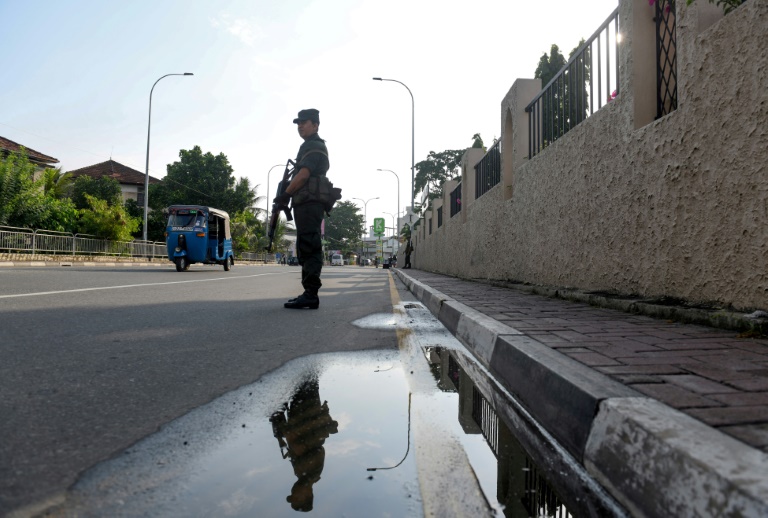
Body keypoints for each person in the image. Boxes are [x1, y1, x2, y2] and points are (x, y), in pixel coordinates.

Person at [275, 109, 330, 309]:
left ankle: (311, 294)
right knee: (306, 246)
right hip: (306, 203)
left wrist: (286, 194)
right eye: (298, 123)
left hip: (309, 204)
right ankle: (308, 292)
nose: (300, 126)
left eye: (304, 122)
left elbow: (304, 174)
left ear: (315, 125)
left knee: (309, 246)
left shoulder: (314, 145)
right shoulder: (309, 145)